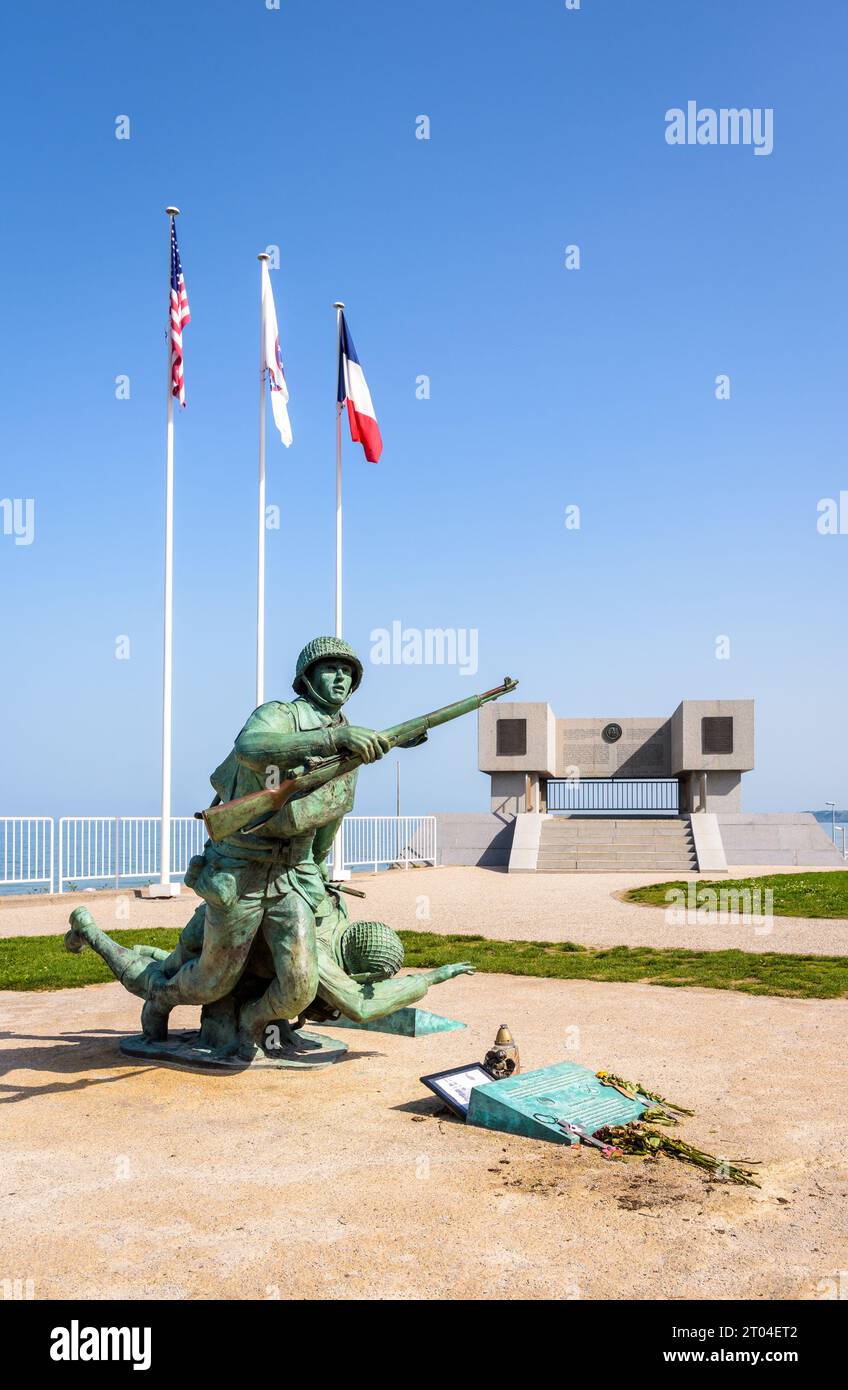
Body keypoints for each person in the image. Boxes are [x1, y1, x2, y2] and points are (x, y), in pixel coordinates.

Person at [109, 636, 394, 1058]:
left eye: (348, 672)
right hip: (241, 871)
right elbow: (250, 747)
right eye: (330, 669)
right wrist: (334, 740)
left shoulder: (349, 739)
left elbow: (329, 816)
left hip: (290, 877)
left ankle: (253, 1026)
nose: (340, 677)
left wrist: (318, 876)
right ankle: (162, 998)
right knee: (213, 980)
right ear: (307, 676)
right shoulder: (281, 715)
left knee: (300, 984)